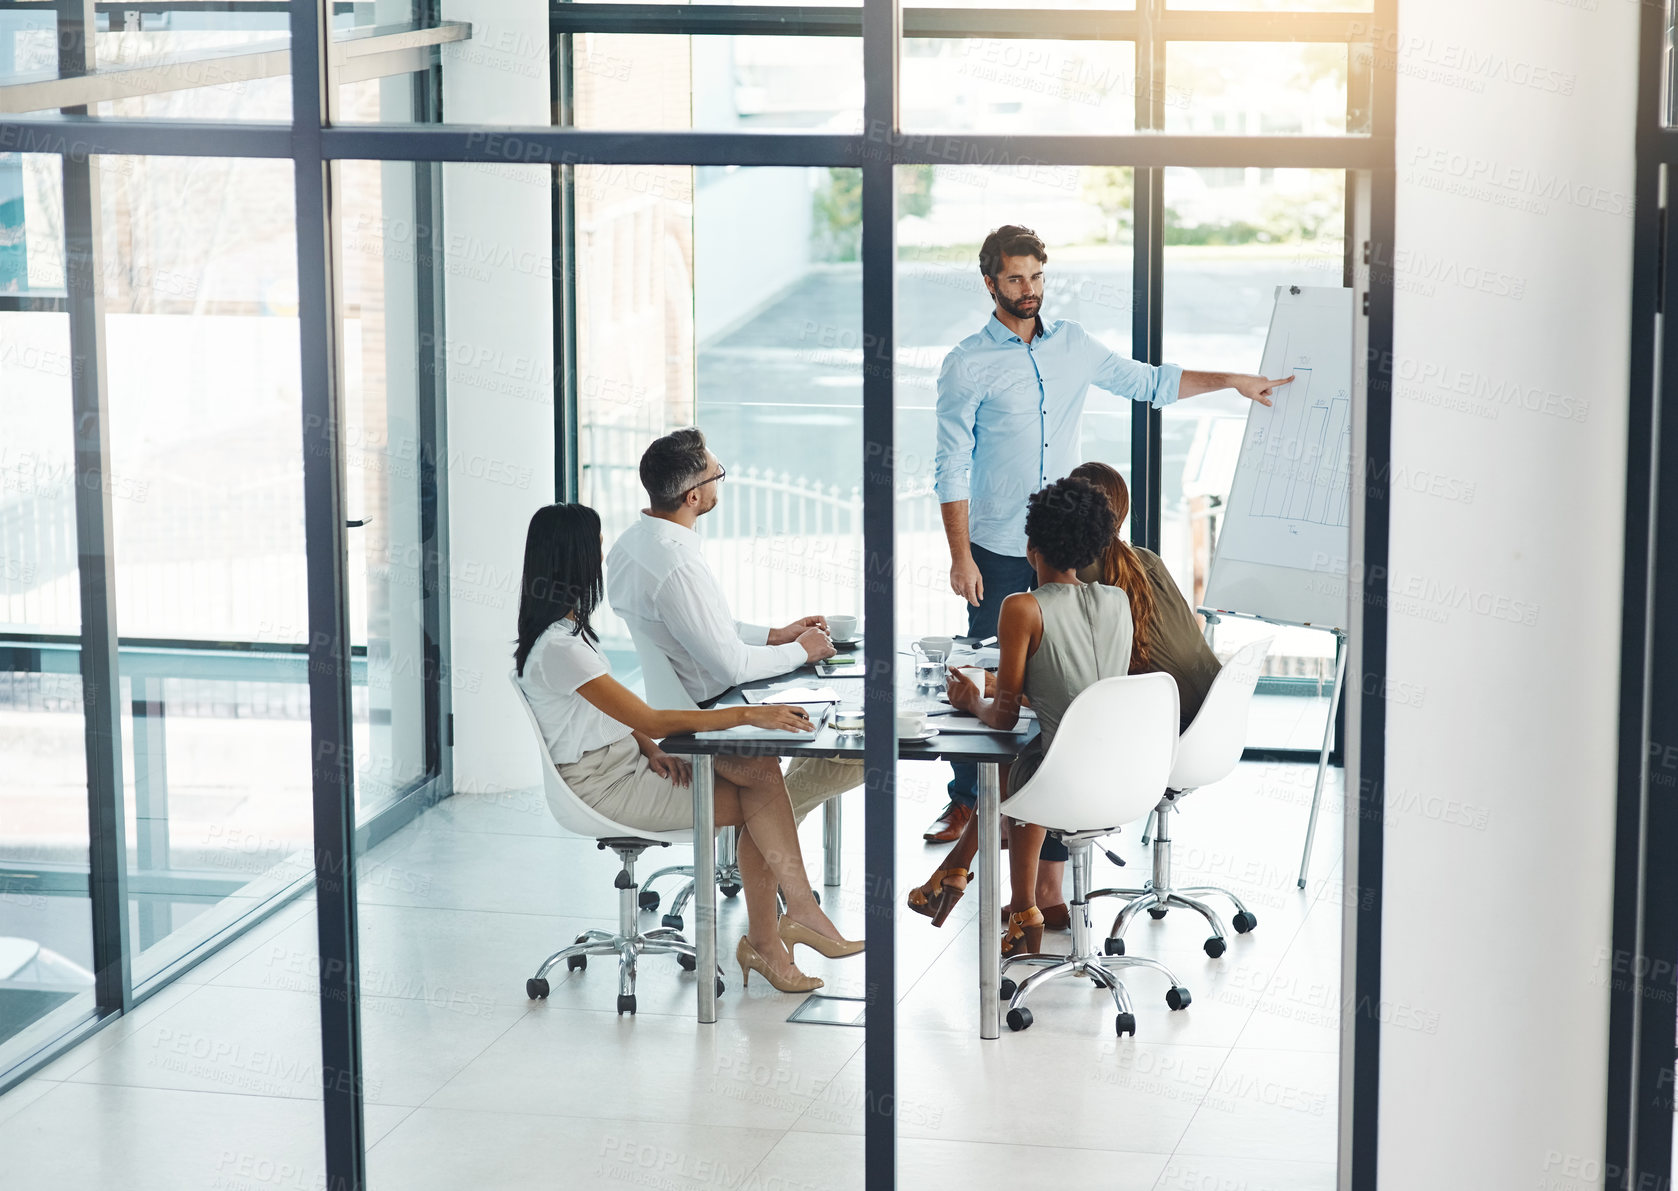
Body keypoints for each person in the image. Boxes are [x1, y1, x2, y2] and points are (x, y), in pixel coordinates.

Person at [924, 223, 1292, 845]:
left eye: (1037, 276)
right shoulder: (967, 364)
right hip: (998, 546)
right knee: (989, 673)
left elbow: (1149, 383)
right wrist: (960, 556)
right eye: (1015, 277)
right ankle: (970, 803)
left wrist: (1232, 380)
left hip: (1067, 546)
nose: (1029, 289)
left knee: (1068, 683)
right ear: (991, 283)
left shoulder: (1073, 345)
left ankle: (1053, 808)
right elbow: (950, 463)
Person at [516, 503, 862, 994]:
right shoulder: (561, 647)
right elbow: (651, 718)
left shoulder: (566, 633)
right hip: (603, 786)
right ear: (572, 558)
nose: (599, 558)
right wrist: (749, 714)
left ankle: (784, 929)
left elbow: (611, 715)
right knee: (758, 795)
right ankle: (782, 929)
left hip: (625, 763)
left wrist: (647, 748)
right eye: (593, 547)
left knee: (759, 769)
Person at [906, 476, 1132, 959]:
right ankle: (988, 887)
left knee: (1009, 762)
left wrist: (970, 700)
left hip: (1059, 784)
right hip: (1124, 774)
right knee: (1026, 756)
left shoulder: (1022, 606)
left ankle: (1012, 900)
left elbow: (1002, 717)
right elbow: (1082, 692)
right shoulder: (1117, 602)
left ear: (1030, 546)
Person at [606, 427, 862, 823]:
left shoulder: (630, 545)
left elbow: (702, 626)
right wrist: (802, 651)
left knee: (822, 719)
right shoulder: (677, 567)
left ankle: (767, 846)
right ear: (693, 497)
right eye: (716, 475)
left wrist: (777, 635)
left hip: (676, 701)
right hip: (707, 712)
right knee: (850, 745)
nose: (719, 481)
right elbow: (732, 667)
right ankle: (763, 839)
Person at [1005, 459, 1227, 915]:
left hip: (1156, 734)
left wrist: (1003, 682)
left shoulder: (1083, 575)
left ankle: (1037, 896)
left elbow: (1086, 685)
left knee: (1040, 746)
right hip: (1209, 723)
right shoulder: (1146, 561)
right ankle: (1019, 891)